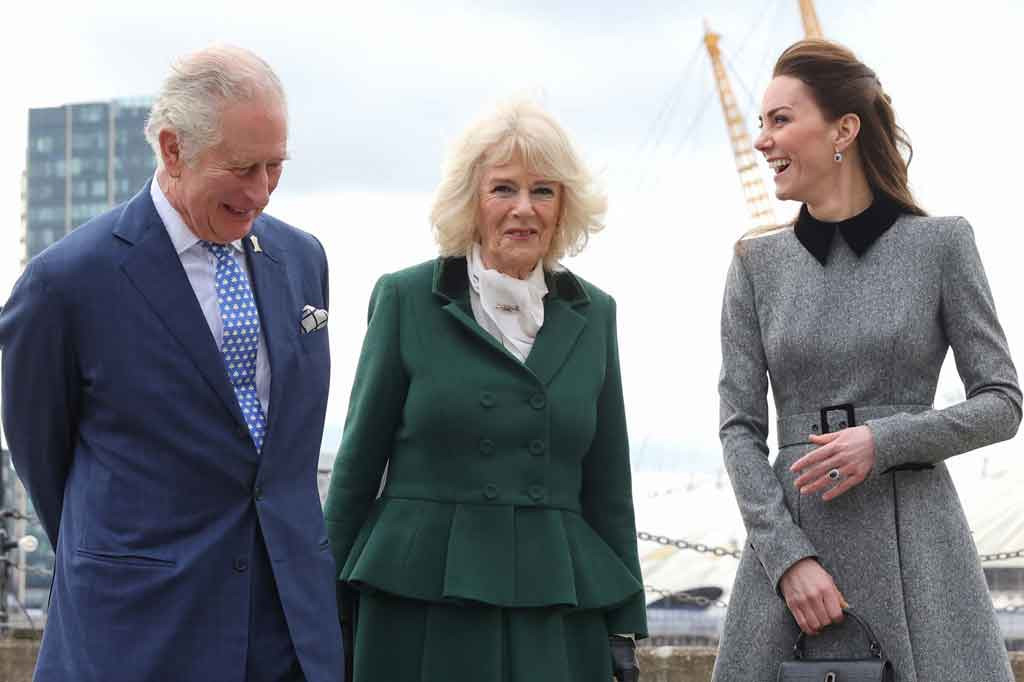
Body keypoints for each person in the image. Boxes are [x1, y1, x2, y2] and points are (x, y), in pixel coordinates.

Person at [0, 46, 343, 682]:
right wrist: (131, 557)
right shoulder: (65, 284)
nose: (261, 192)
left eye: (275, 167)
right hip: (142, 636)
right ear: (172, 148)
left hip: (291, 635)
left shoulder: (302, 260)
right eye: (241, 169)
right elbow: (44, 464)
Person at [712, 38, 1021, 682]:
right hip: (793, 545)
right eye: (760, 123)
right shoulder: (754, 267)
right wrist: (788, 560)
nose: (761, 141)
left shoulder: (941, 245)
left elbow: (1002, 401)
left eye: (780, 119)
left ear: (844, 129)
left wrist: (883, 440)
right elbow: (739, 429)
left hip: (920, 544)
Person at [324, 100, 646, 682]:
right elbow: (356, 468)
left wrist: (624, 623)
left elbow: (608, 483)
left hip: (554, 609)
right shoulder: (405, 298)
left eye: (543, 191)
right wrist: (323, 613)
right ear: (471, 201)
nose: (524, 209)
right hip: (420, 606)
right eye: (504, 189)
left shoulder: (595, 313)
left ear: (564, 205)